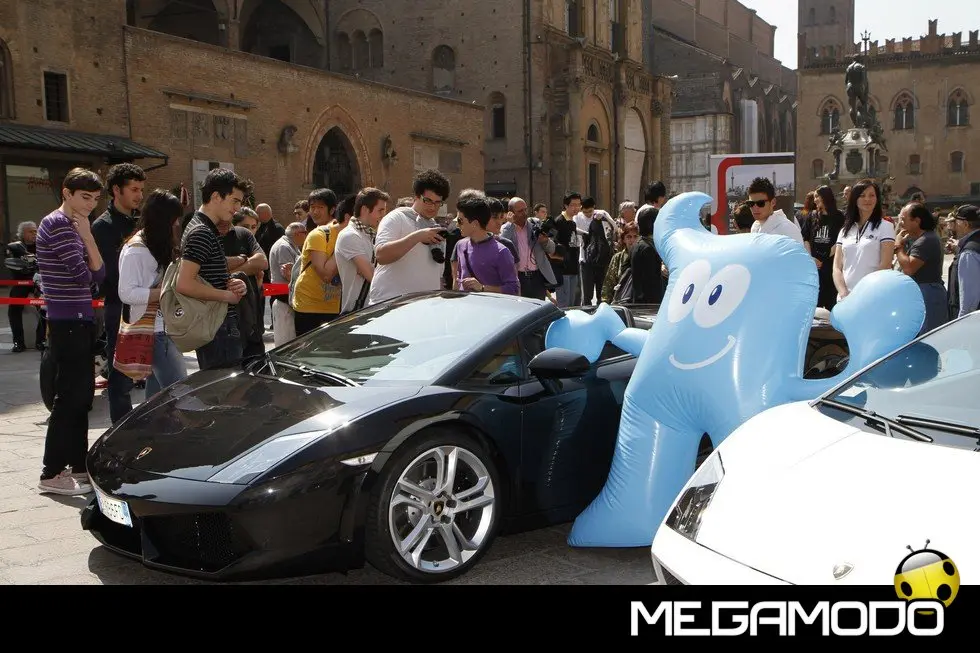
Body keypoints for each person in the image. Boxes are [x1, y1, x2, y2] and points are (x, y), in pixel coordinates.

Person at [35, 168, 106, 496]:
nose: (90, 204)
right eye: (85, 197)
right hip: (67, 321)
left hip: (78, 319)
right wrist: (89, 239)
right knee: (68, 398)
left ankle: (78, 466)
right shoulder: (59, 224)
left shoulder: (75, 225)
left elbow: (99, 274)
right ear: (67, 193)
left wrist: (88, 240)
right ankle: (51, 472)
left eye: (95, 198)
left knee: (81, 397)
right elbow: (85, 276)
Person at [116, 189, 189, 417]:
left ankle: (150, 430)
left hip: (161, 328)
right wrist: (164, 292)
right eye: (173, 218)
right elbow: (126, 293)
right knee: (180, 391)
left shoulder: (152, 244)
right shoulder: (136, 250)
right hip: (153, 331)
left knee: (157, 398)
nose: (176, 223)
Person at [177, 168, 251, 370]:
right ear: (216, 196)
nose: (237, 208)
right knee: (224, 388)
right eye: (235, 201)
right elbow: (184, 284)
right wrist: (227, 296)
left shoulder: (203, 227)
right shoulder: (201, 231)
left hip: (217, 325)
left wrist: (233, 283)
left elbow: (206, 274)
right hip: (217, 328)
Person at [91, 163, 146, 424]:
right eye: (134, 189)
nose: (139, 195)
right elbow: (110, 275)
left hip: (149, 304)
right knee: (121, 377)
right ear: (116, 190)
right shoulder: (103, 226)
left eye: (141, 190)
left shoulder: (141, 221)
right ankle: (121, 430)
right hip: (120, 308)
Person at [368, 169, 452, 305]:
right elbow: (381, 255)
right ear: (417, 196)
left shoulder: (436, 228)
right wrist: (417, 236)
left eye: (438, 202)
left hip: (423, 307)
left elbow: (437, 275)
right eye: (428, 201)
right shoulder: (397, 217)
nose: (433, 207)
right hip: (390, 304)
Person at [832, 179, 895, 301]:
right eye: (862, 195)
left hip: (872, 297)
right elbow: (837, 267)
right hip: (845, 298)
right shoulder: (845, 230)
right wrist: (843, 293)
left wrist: (864, 293)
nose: (867, 199)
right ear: (855, 199)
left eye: (872, 195)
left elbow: (885, 265)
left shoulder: (886, 227)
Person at [291, 188, 343, 334]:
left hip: (333, 303)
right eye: (312, 207)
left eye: (320, 207)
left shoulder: (340, 232)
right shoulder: (317, 234)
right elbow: (325, 274)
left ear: (332, 209)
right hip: (309, 303)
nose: (315, 212)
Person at [894, 202, 948, 335]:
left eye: (904, 219)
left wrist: (898, 246)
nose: (901, 224)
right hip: (924, 292)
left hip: (928, 294)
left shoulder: (926, 240)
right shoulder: (925, 238)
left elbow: (909, 268)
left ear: (917, 221)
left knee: (929, 337)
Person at [336, 188, 390, 314]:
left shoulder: (370, 234)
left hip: (372, 309)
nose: (383, 216)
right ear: (365, 209)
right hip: (357, 312)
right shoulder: (350, 236)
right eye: (380, 210)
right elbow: (373, 276)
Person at [454, 195, 520, 296]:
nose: (457, 225)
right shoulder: (460, 245)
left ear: (475, 223)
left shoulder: (501, 252)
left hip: (491, 305)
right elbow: (458, 279)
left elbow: (513, 288)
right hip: (465, 304)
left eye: (460, 221)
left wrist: (483, 288)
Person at [802, 185, 845, 310]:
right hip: (814, 267)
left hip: (831, 266)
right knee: (815, 304)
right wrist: (811, 258)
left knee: (832, 304)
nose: (815, 200)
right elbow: (805, 238)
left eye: (817, 196)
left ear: (825, 197)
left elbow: (841, 240)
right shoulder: (812, 216)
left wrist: (824, 258)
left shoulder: (839, 217)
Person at [5, 221, 45, 352]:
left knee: (45, 307)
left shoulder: (43, 245)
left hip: (40, 281)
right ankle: (18, 342)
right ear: (22, 233)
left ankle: (41, 340)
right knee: (13, 308)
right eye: (31, 231)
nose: (35, 234)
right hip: (21, 282)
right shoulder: (15, 247)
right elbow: (12, 264)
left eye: (35, 231)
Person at [947, 204, 980, 319]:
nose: (954, 227)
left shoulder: (969, 253)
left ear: (966, 224)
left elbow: (969, 303)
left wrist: (962, 323)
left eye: (956, 223)